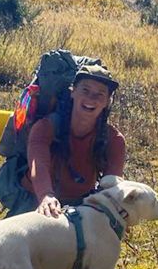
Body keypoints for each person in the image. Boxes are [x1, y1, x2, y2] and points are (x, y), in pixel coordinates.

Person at [17, 62, 126, 218]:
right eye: (85, 90)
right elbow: (38, 164)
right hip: (34, 197)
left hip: (82, 203)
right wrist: (46, 195)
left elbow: (112, 184)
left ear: (107, 101)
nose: (91, 98)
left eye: (100, 94)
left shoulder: (114, 140)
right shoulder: (45, 127)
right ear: (73, 92)